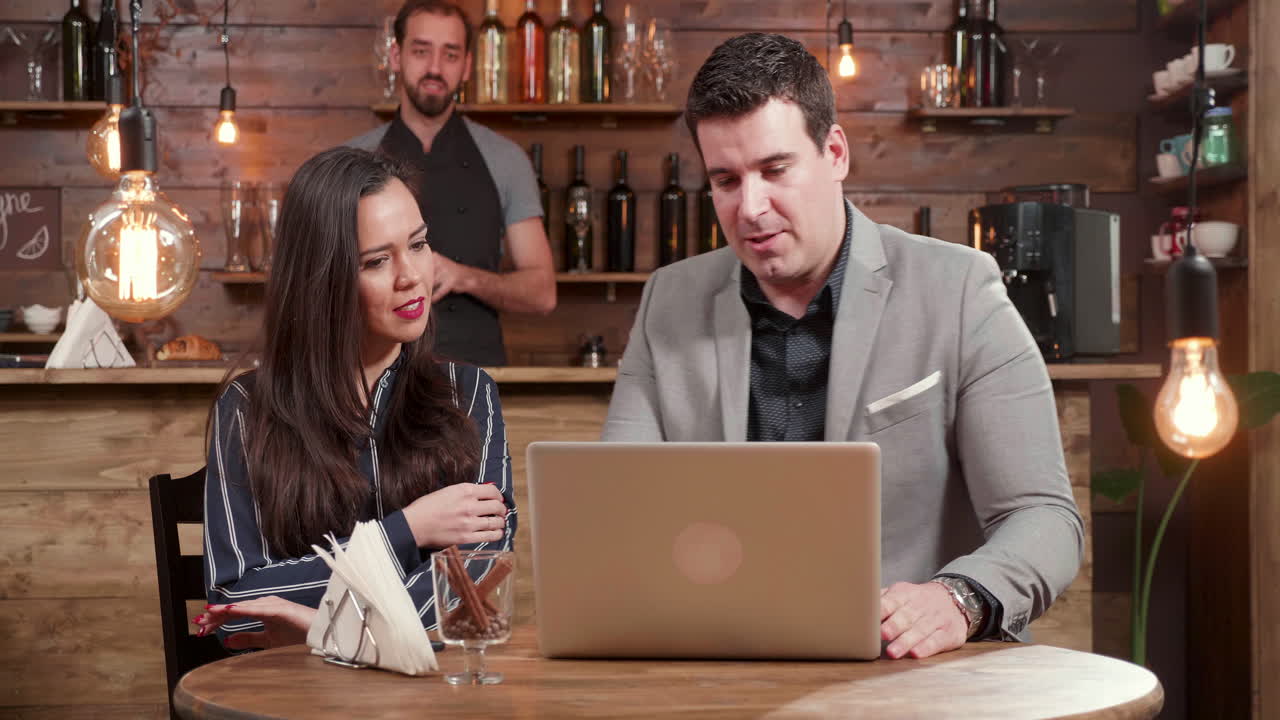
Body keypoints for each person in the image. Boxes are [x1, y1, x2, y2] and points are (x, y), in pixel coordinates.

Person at [601, 33, 1084, 660]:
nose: (750, 208)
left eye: (775, 170)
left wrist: (957, 598)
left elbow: (1044, 518)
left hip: (906, 669)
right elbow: (616, 509)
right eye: (725, 180)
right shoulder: (669, 299)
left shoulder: (960, 288)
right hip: (721, 660)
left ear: (834, 153)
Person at [194, 147, 514, 649]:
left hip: (433, 698)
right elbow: (236, 604)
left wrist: (327, 623)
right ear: (322, 278)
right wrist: (407, 531)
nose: (411, 276)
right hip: (293, 698)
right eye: (377, 261)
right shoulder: (247, 409)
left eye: (419, 244)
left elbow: (474, 588)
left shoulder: (469, 395)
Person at [347, 0, 556, 367]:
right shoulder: (352, 161)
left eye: (450, 54)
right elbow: (319, 282)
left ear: (467, 67)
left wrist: (463, 277)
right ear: (396, 56)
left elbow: (542, 293)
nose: (434, 68)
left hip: (477, 374)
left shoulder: (505, 160)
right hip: (371, 378)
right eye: (421, 51)